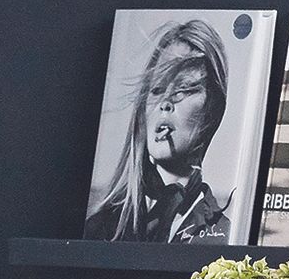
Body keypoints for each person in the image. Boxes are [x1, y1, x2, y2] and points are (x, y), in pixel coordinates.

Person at [84, 19, 234, 242]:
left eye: (183, 90)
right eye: (156, 90)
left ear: (212, 109)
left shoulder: (224, 237)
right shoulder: (100, 228)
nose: (165, 103)